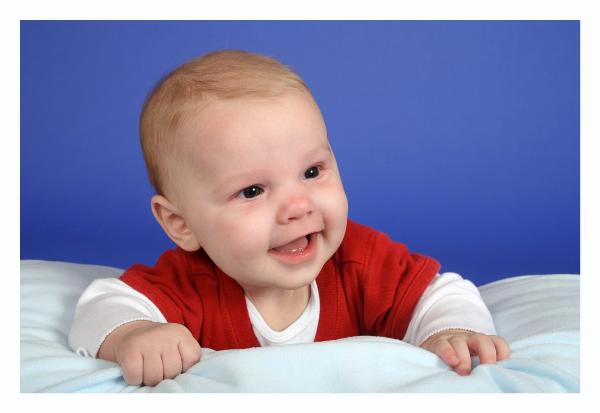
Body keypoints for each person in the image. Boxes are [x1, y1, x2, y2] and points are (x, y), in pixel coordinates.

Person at [68, 50, 509, 387]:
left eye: (312, 172)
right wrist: (134, 334)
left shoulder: (359, 260)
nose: (298, 206)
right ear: (179, 223)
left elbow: (441, 292)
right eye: (252, 191)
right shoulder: (189, 284)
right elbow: (104, 305)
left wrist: (450, 331)